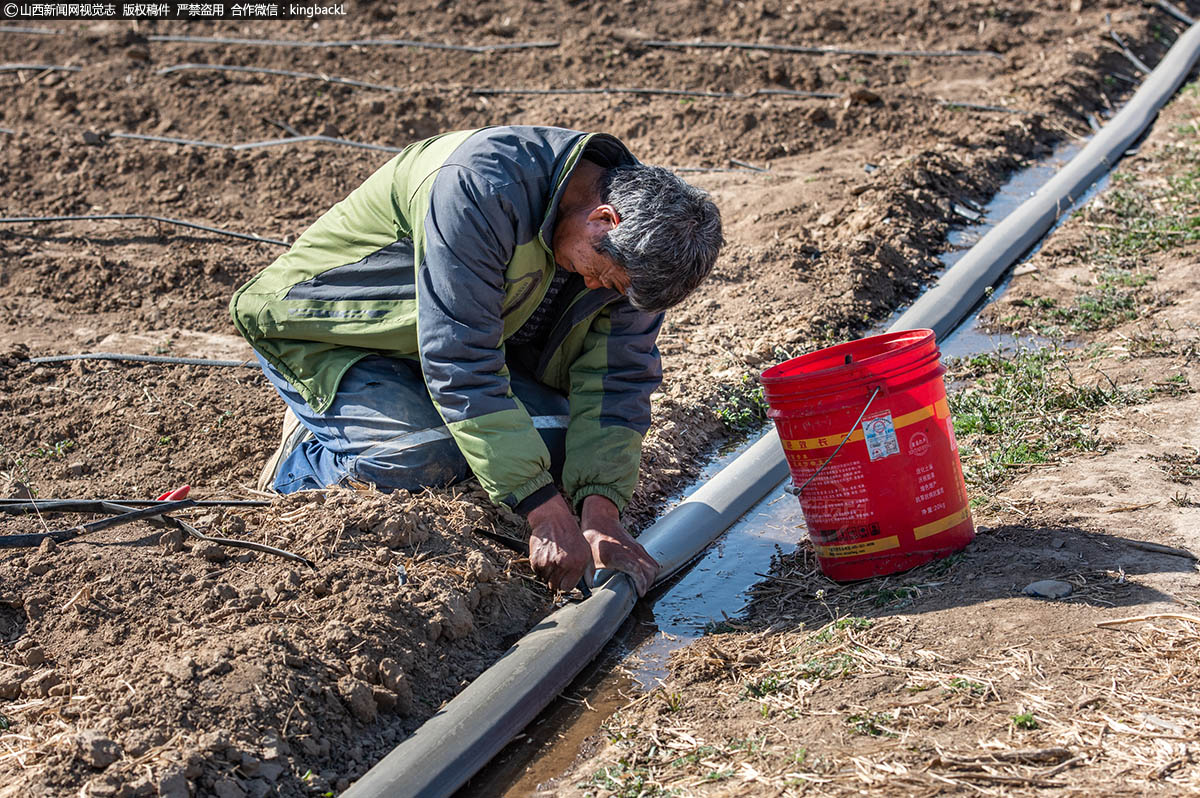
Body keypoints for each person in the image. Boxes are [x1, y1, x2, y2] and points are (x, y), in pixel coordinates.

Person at [230, 125, 723, 597]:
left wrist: (601, 510)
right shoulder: (481, 186)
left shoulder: (639, 253)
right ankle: (306, 456)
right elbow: (460, 358)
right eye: (604, 276)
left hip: (447, 342)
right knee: (419, 455)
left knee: (561, 440)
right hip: (334, 334)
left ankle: (391, 413)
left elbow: (618, 380)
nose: (596, 287)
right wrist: (542, 509)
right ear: (604, 219)